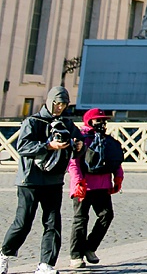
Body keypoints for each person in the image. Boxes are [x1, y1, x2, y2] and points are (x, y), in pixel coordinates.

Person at [4, 85, 80, 274]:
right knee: (23, 222)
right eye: (57, 104)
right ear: (50, 102)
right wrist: (48, 146)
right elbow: (22, 146)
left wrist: (78, 145)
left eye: (64, 104)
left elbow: (80, 141)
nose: (60, 108)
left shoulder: (67, 124)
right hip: (29, 180)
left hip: (54, 180)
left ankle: (46, 264)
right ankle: (4, 255)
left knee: (53, 223)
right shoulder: (32, 121)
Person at [66, 109, 122, 269]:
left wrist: (118, 177)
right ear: (89, 121)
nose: (102, 124)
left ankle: (89, 247)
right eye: (98, 120)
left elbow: (115, 159)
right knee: (80, 220)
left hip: (102, 185)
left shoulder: (108, 140)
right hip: (84, 185)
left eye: (104, 121)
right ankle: (76, 255)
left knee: (106, 215)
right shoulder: (81, 139)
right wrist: (78, 182)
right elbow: (73, 162)